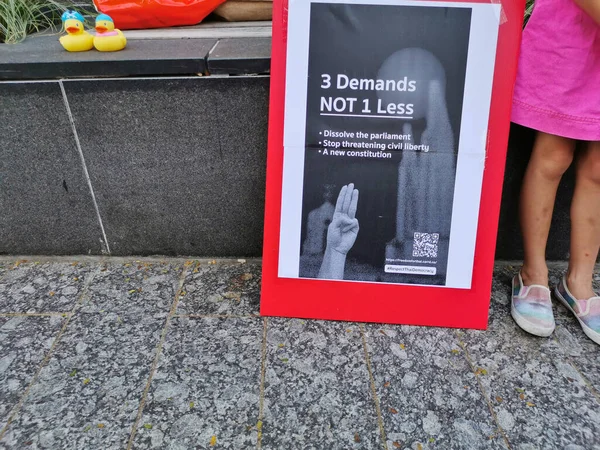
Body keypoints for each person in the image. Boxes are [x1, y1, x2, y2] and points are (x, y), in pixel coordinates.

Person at [510, 0, 600, 344]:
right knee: (554, 155)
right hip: (571, 37)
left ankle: (579, 281)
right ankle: (533, 272)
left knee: (597, 167)